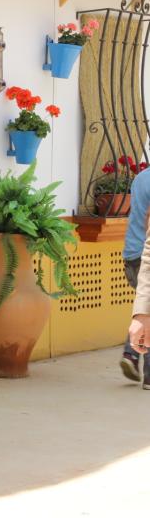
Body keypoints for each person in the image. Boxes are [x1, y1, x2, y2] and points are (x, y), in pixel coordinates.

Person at [119, 165, 150, 387]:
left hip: (132, 254)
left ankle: (130, 354)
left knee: (144, 311)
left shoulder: (140, 179)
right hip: (145, 254)